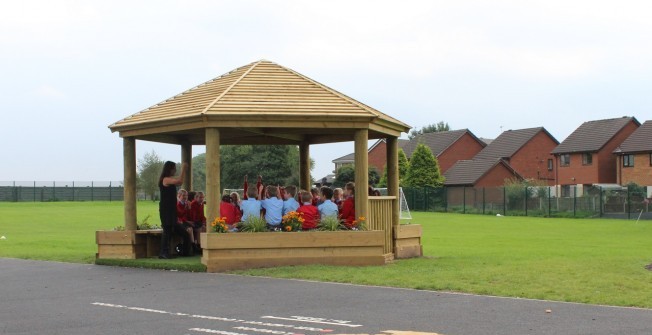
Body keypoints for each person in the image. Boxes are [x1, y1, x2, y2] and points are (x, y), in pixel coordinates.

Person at [158, 161, 192, 259]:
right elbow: (180, 182)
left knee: (184, 232)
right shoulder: (165, 180)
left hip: (172, 210)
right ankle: (163, 252)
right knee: (167, 230)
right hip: (166, 210)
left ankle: (185, 251)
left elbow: (177, 180)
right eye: (174, 168)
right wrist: (184, 169)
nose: (175, 170)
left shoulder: (169, 179)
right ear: (170, 169)